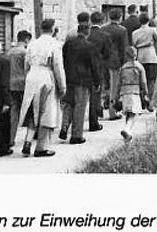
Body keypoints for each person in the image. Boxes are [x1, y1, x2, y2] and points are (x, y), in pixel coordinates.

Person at [18, 19, 66, 158]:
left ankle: (27, 142)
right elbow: (58, 66)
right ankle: (42, 147)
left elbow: (26, 64)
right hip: (46, 75)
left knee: (33, 109)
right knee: (47, 111)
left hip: (32, 75)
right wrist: (62, 86)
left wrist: (29, 74)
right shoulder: (55, 44)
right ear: (53, 29)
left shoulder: (32, 44)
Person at [60, 24, 100, 145]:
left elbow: (63, 60)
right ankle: (76, 135)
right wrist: (97, 81)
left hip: (68, 78)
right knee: (79, 106)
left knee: (69, 104)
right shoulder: (89, 46)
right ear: (87, 32)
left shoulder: (68, 44)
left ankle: (64, 126)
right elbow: (94, 66)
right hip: (83, 80)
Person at [114, 47, 149, 142]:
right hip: (135, 91)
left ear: (126, 55)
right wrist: (145, 93)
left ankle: (128, 133)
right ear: (136, 55)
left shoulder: (123, 68)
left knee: (129, 113)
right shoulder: (139, 67)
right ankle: (127, 129)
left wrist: (116, 96)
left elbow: (118, 83)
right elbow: (144, 82)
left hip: (125, 92)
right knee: (134, 113)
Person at [5, 30, 32, 147]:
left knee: (13, 112)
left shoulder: (9, 52)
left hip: (10, 84)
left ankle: (10, 138)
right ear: (26, 39)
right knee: (29, 111)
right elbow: (27, 69)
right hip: (22, 84)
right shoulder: (24, 52)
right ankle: (30, 137)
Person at [131, 12, 157, 110]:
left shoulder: (134, 33)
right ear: (148, 20)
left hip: (140, 56)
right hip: (151, 56)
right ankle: (151, 102)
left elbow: (133, 45)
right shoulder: (152, 30)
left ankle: (142, 101)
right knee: (151, 81)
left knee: (140, 81)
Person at [102, 9, 129, 120]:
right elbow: (123, 48)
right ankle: (112, 112)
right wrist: (124, 62)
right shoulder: (122, 30)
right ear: (120, 17)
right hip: (115, 61)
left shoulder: (103, 28)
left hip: (103, 60)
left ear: (109, 17)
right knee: (114, 87)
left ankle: (102, 105)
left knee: (105, 85)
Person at [86, 11, 111, 132]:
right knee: (96, 94)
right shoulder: (105, 35)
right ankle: (93, 121)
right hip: (99, 66)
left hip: (84, 66)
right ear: (101, 21)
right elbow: (107, 53)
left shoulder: (87, 34)